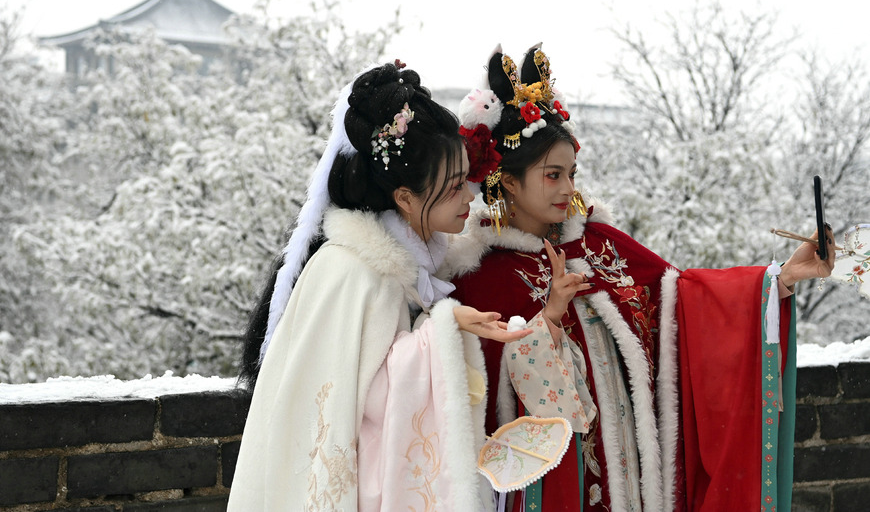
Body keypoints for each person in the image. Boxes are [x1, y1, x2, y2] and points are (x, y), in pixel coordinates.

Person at [442, 45, 836, 512]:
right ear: (508, 181)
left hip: (637, 486)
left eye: (571, 173)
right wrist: (548, 318)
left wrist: (780, 279)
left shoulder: (601, 245)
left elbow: (687, 301)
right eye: (553, 175)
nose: (569, 189)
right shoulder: (481, 278)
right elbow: (493, 406)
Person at [229, 61, 531, 512]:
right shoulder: (352, 273)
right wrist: (445, 327)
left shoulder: (406, 267)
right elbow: (343, 414)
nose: (470, 197)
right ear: (405, 198)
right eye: (453, 187)